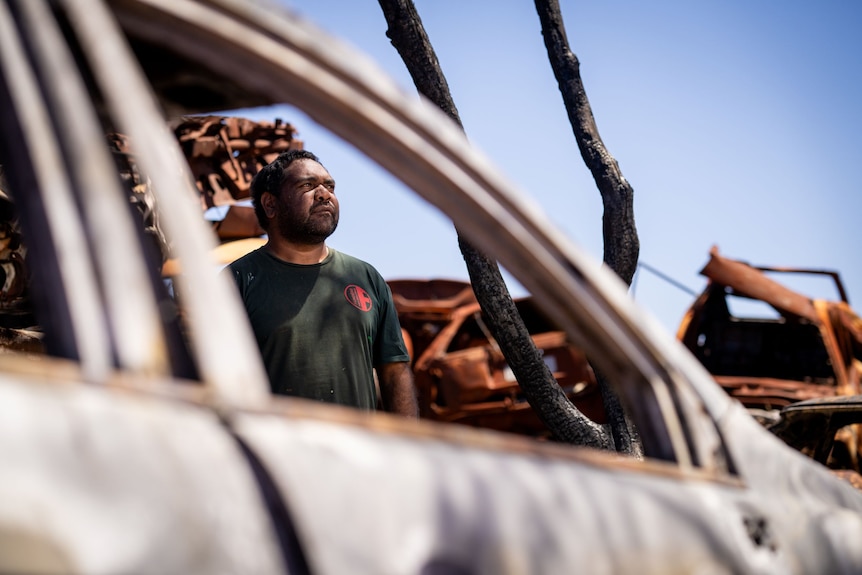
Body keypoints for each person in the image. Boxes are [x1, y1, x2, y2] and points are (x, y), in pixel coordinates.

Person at [226, 149, 418, 417]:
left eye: (329, 186)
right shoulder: (234, 282)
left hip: (359, 455)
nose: (324, 194)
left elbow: (394, 371)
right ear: (270, 204)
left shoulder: (366, 278)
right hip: (274, 454)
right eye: (307, 185)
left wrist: (407, 448)